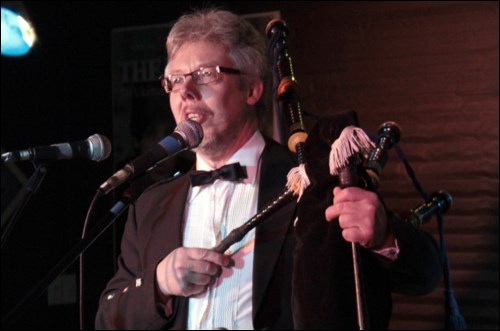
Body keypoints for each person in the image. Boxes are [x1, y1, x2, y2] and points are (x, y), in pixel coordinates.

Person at [95, 8, 442, 330]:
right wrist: (158, 284)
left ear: (252, 89)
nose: (185, 91)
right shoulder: (151, 205)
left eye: (205, 74)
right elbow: (108, 319)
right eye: (174, 79)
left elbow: (424, 274)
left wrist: (382, 236)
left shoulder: (317, 178)